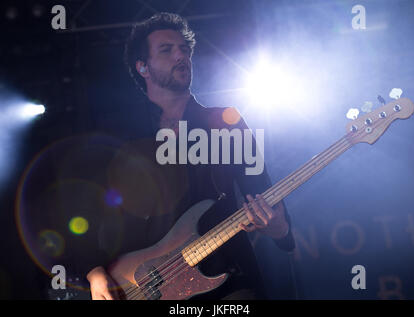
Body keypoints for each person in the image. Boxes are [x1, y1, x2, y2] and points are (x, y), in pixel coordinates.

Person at [85, 12, 295, 300]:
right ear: (143, 67)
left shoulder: (226, 121)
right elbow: (100, 219)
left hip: (228, 283)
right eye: (167, 49)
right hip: (149, 288)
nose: (180, 55)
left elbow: (267, 202)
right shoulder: (125, 139)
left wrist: (279, 227)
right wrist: (95, 272)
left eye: (185, 49)